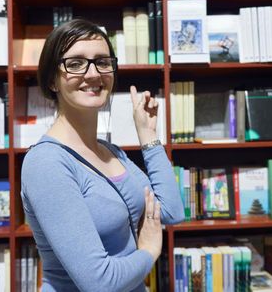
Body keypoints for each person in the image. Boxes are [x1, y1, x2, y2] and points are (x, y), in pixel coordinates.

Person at [21, 19, 185, 291]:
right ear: (52, 80)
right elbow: (99, 282)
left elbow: (171, 211)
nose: (93, 74)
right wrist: (148, 251)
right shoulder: (47, 164)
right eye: (75, 64)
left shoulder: (111, 151)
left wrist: (148, 136)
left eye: (102, 61)